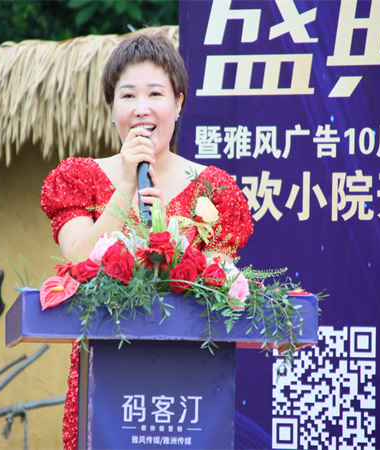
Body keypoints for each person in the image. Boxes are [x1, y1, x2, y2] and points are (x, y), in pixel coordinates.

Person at [40, 30, 254, 450]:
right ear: (112, 108)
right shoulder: (78, 177)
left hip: (190, 391)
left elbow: (221, 288)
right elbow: (78, 260)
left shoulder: (215, 189)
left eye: (155, 94)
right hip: (107, 386)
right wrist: (126, 189)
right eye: (127, 96)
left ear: (179, 103)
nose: (141, 109)